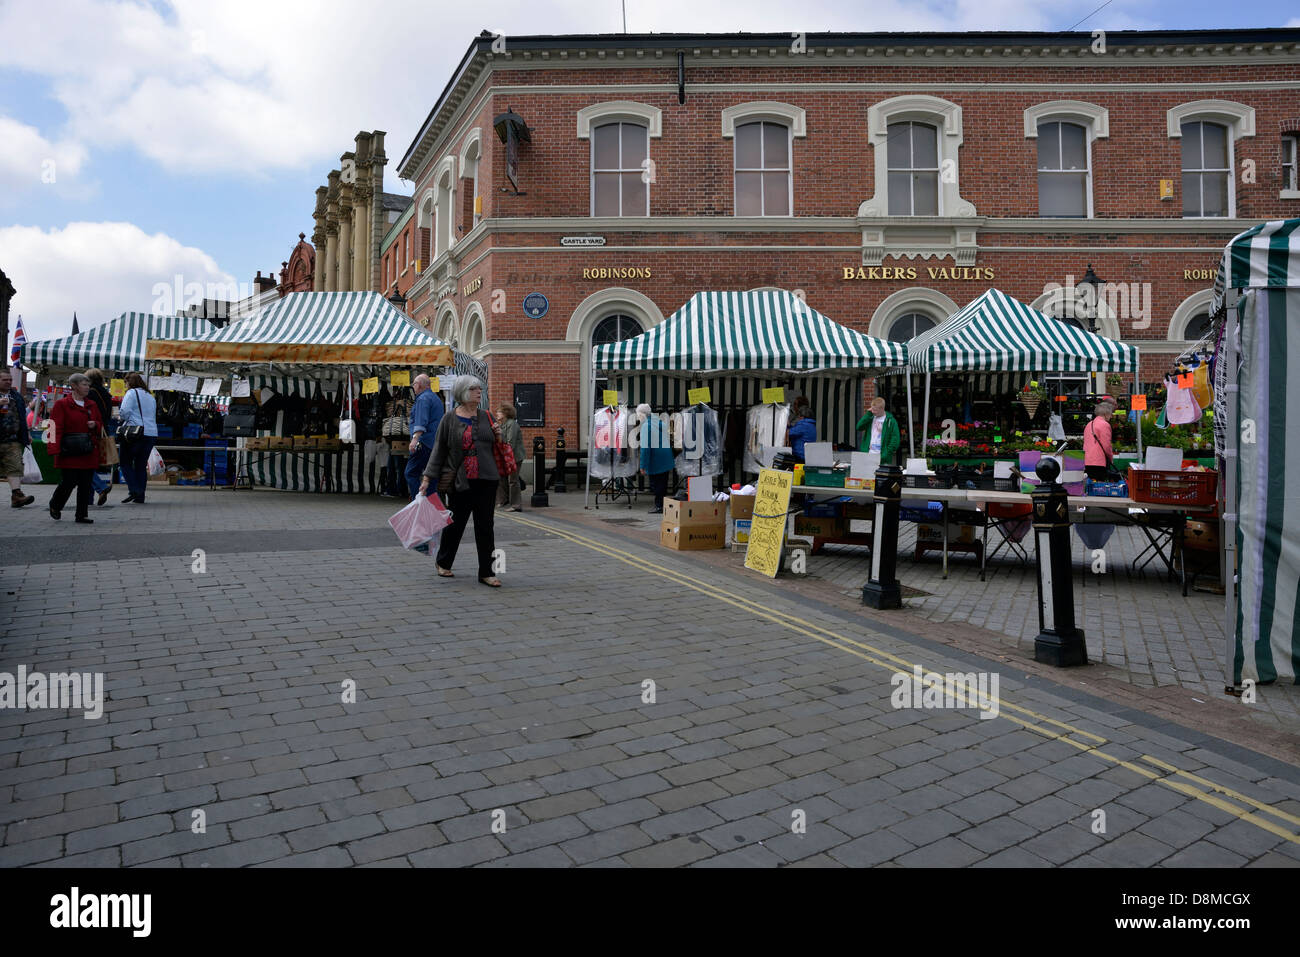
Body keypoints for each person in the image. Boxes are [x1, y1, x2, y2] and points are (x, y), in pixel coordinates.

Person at [418, 376, 502, 586]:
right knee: (455, 525)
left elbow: (497, 446)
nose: (478, 392)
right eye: (474, 389)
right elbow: (439, 450)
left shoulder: (487, 416)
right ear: (463, 392)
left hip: (487, 479)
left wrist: (499, 435)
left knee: (486, 527)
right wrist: (427, 478)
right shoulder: (449, 419)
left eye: (479, 389)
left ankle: (488, 572)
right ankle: (443, 562)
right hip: (460, 481)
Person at [47, 373, 103, 524]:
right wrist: (53, 448)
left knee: (85, 483)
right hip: (69, 450)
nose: (87, 388)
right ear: (74, 386)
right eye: (84, 384)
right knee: (68, 482)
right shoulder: (62, 404)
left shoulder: (92, 404)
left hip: (87, 449)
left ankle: (82, 515)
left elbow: (100, 425)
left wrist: (95, 425)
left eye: (88, 384)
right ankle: (55, 505)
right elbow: (53, 427)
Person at [118, 373, 159, 504]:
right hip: (151, 433)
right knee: (141, 465)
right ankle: (140, 495)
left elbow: (124, 412)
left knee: (124, 462)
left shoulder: (131, 393)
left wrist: (120, 418)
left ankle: (134, 489)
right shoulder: (150, 396)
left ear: (130, 383)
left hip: (135, 433)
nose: (125, 386)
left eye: (126, 383)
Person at [405, 374, 445, 500]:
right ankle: (436, 511)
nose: (413, 386)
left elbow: (421, 421)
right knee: (431, 478)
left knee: (411, 473)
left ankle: (420, 502)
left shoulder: (423, 399)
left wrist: (415, 439)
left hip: (424, 443)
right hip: (434, 444)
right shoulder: (436, 398)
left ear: (420, 385)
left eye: (414, 384)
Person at [0, 369, 36, 507]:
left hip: (12, 438)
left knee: (15, 467)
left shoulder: (16, 395)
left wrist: (26, 433)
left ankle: (17, 496)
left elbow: (22, 416)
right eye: (5, 380)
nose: (9, 382)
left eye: (10, 379)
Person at [637, 403, 674, 513]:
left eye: (638, 414)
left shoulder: (646, 426)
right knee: (663, 482)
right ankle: (662, 505)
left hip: (656, 458)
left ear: (643, 414)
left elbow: (645, 448)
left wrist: (643, 466)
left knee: (656, 484)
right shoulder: (659, 422)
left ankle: (659, 506)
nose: (638, 417)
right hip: (666, 456)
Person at [85, 369, 114, 507]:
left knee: (86, 465)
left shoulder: (90, 393)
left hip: (93, 430)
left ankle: (100, 488)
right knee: (93, 464)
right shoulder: (106, 394)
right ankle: (89, 498)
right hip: (104, 430)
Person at [495, 401, 526, 512]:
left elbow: (510, 443)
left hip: (514, 457)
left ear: (506, 413)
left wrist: (504, 456)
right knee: (501, 478)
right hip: (504, 456)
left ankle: (516, 505)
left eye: (499, 412)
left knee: (513, 480)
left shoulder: (512, 424)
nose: (497, 413)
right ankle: (502, 500)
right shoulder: (501, 424)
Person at [857, 397, 901, 465]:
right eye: (872, 409)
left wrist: (886, 453)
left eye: (875, 410)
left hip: (883, 457)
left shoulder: (891, 421)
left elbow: (895, 440)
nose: (873, 412)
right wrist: (868, 414)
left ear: (882, 408)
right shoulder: (870, 418)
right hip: (868, 454)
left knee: (881, 475)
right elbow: (859, 427)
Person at [1084, 399, 1117, 481]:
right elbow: (1106, 445)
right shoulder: (1105, 425)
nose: (1111, 416)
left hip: (1087, 460)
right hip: (1099, 461)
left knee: (1091, 486)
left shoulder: (1089, 424)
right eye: (1111, 413)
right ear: (1106, 414)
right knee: (1099, 487)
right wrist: (1110, 458)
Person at [785, 396, 817, 464]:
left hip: (800, 456)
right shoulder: (811, 425)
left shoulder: (803, 425)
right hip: (807, 456)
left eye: (799, 416)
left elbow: (788, 433)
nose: (798, 418)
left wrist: (787, 425)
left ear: (802, 416)